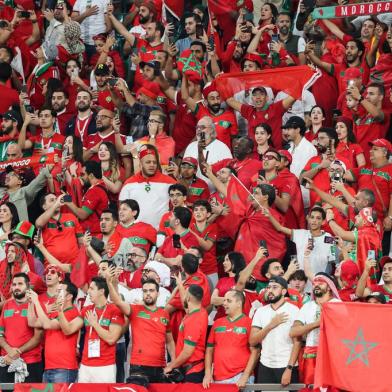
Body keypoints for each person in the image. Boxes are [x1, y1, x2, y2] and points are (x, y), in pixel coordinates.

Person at [107, 272, 175, 383]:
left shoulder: (164, 314)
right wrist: (109, 283)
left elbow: (170, 341)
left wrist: (174, 362)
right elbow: (117, 301)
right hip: (139, 366)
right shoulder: (134, 310)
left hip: (160, 367)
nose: (148, 294)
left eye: (151, 291)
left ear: (158, 293)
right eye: (145, 291)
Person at [58, 276, 125, 383]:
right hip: (85, 365)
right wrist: (59, 311)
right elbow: (68, 330)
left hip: (105, 366)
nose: (88, 291)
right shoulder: (87, 310)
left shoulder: (114, 310)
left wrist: (95, 324)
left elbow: (111, 339)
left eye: (92, 288)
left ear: (101, 291)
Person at [290, 273, 341, 387]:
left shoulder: (338, 305)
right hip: (311, 355)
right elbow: (293, 332)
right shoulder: (307, 306)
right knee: (311, 388)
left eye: (320, 282)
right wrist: (315, 324)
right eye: (314, 283)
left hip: (332, 355)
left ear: (329, 286)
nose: (316, 285)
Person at [251, 276, 301, 386]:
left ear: (283, 291)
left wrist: (289, 368)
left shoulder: (294, 310)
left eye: (274, 287)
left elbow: (297, 343)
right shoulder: (260, 311)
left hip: (287, 365)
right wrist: (270, 325)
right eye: (268, 287)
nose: (270, 291)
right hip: (265, 366)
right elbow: (252, 341)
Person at [27, 280, 80, 383]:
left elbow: (47, 324)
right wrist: (30, 302)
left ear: (69, 296)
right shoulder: (55, 312)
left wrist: (37, 301)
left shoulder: (72, 312)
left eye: (59, 291)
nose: (56, 294)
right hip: (49, 367)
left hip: (64, 368)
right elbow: (32, 322)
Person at [204, 289, 258, 388]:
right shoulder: (217, 322)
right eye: (224, 300)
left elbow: (255, 352)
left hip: (240, 378)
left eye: (228, 301)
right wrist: (207, 374)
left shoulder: (250, 323)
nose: (224, 303)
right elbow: (209, 350)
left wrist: (245, 376)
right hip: (218, 379)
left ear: (239, 303)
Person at [267, 206, 337, 279]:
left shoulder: (329, 238)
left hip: (319, 281)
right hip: (301, 282)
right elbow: (279, 228)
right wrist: (269, 216)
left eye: (318, 218)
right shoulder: (300, 234)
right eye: (312, 217)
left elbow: (333, 259)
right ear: (308, 219)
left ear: (323, 221)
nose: (314, 220)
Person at [119, 144, 176, 229]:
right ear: (141, 164)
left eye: (154, 162)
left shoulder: (170, 182)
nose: (152, 165)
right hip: (136, 234)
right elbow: (122, 212)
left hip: (162, 233)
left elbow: (180, 203)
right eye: (148, 162)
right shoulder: (128, 184)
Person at [0, 273, 43, 382]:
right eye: (14, 284)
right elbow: (0, 333)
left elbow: (38, 338)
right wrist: (9, 350)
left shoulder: (36, 305)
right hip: (7, 361)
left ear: (28, 286)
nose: (16, 287)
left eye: (20, 284)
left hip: (30, 362)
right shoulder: (7, 305)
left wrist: (18, 351)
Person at [164, 284, 208, 383]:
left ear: (188, 297)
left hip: (192, 371)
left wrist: (171, 366)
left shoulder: (194, 320)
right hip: (192, 368)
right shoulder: (200, 311)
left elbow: (187, 352)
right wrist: (179, 285)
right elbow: (186, 305)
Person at [35, 193, 83, 266]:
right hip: (52, 267)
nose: (56, 201)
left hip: (74, 265)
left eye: (56, 199)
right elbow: (38, 224)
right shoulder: (43, 221)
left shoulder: (71, 217)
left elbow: (81, 242)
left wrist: (81, 262)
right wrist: (56, 204)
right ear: (44, 207)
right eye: (52, 200)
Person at [183, 116, 233, 187]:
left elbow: (227, 175)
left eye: (202, 127)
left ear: (211, 130)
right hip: (190, 191)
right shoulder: (191, 146)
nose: (199, 130)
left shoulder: (222, 148)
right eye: (197, 127)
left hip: (213, 193)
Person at [63, 160, 109, 235]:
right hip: (94, 232)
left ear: (91, 175)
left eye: (83, 174)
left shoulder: (95, 191)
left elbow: (82, 215)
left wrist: (68, 202)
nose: (81, 177)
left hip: (93, 234)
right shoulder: (101, 185)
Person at [190, 199, 218, 289]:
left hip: (210, 270)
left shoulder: (213, 227)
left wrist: (192, 233)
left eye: (202, 209)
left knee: (211, 300)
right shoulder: (189, 227)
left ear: (208, 214)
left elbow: (207, 246)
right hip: (192, 270)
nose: (198, 212)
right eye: (196, 210)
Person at [211, 252, 246, 320]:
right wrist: (232, 300)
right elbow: (213, 300)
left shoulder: (243, 280)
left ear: (235, 261)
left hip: (237, 320)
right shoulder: (222, 280)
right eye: (224, 260)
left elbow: (243, 301)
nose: (223, 263)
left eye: (227, 260)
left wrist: (221, 300)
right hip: (219, 319)